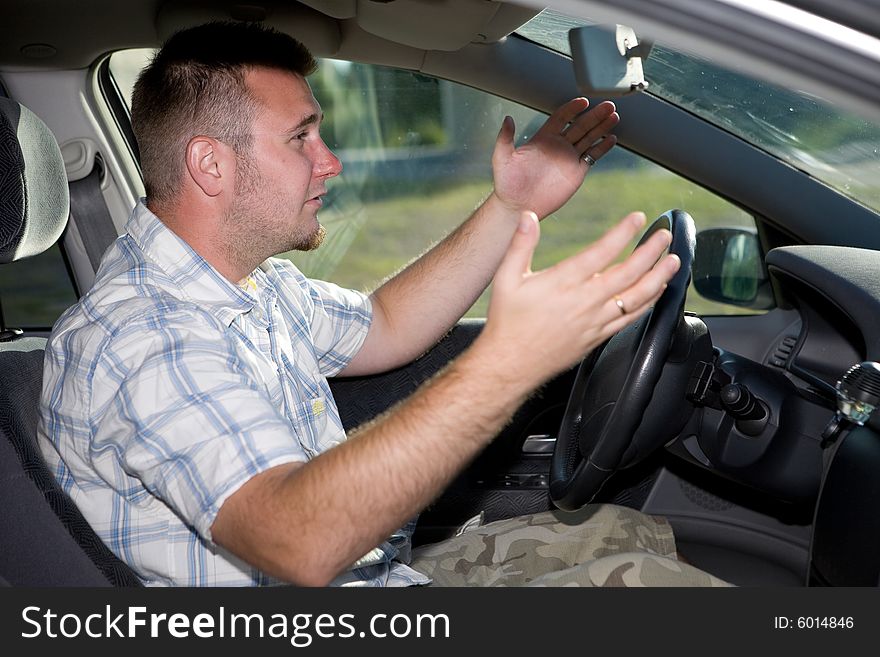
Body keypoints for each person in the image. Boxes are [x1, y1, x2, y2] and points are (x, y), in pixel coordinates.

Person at [37, 21, 727, 587]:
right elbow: (300, 540)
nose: (330, 160)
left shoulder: (250, 282)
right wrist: (507, 364)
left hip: (377, 579)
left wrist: (508, 205)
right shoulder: (142, 337)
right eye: (301, 136)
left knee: (624, 536)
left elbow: (388, 324)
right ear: (211, 165)